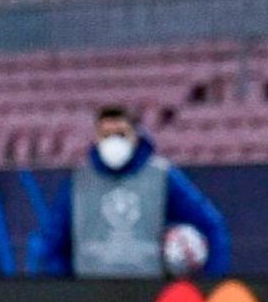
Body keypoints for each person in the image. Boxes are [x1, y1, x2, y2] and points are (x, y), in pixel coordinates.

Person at [39, 106, 230, 278]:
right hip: (90, 292)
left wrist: (212, 283)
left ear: (135, 135)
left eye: (121, 134)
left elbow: (211, 225)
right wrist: (64, 289)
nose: (113, 140)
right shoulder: (79, 182)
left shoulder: (161, 176)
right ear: (96, 138)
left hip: (147, 291)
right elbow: (52, 242)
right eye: (106, 135)